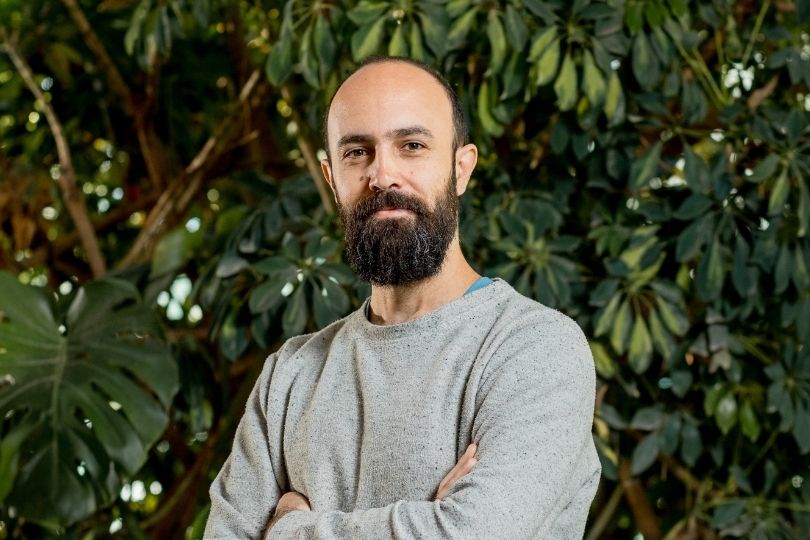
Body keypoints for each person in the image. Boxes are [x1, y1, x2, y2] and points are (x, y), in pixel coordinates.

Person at [204, 56, 600, 539]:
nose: (382, 174)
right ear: (331, 178)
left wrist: (289, 529)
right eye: (357, 152)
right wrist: (430, 521)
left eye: (411, 146)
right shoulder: (290, 374)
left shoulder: (534, 348)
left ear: (461, 169)